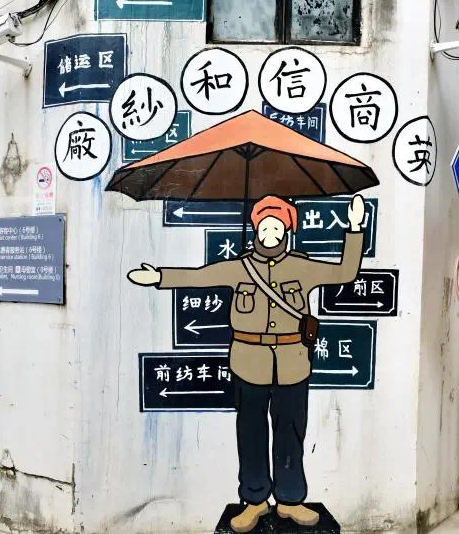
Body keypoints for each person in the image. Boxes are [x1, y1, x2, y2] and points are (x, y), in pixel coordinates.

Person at [127, 194, 366, 532]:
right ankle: (254, 500)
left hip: (292, 363)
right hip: (249, 362)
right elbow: (200, 276)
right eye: (264, 226)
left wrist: (354, 228)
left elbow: (345, 271)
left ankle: (290, 498)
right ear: (255, 229)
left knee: (290, 431)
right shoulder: (241, 267)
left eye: (277, 227)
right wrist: (160, 277)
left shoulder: (302, 266)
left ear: (287, 231)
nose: (270, 233)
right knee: (251, 431)